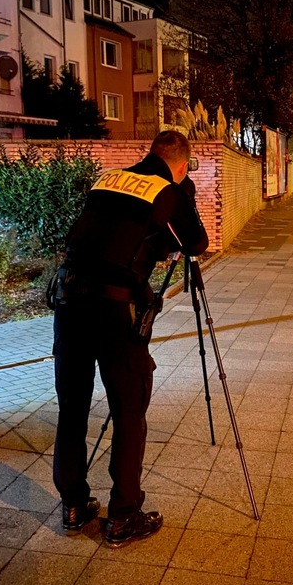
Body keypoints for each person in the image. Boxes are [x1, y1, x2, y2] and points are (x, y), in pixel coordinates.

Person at [51, 130, 209, 546]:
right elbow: (196, 243)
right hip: (113, 312)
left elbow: (111, 233)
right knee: (129, 409)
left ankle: (73, 505)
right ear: (179, 165)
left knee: (72, 408)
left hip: (68, 302)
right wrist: (184, 194)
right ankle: (123, 517)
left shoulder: (108, 178)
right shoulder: (169, 190)